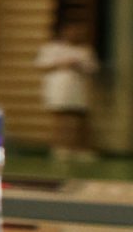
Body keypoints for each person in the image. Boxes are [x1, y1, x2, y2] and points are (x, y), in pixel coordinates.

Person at [39, 22, 100, 161]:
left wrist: (77, 65)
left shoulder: (85, 50)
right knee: (60, 118)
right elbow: (42, 66)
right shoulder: (52, 48)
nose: (74, 34)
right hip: (58, 88)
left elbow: (92, 69)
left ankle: (80, 149)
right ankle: (60, 147)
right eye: (71, 31)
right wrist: (62, 64)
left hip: (78, 89)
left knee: (79, 119)